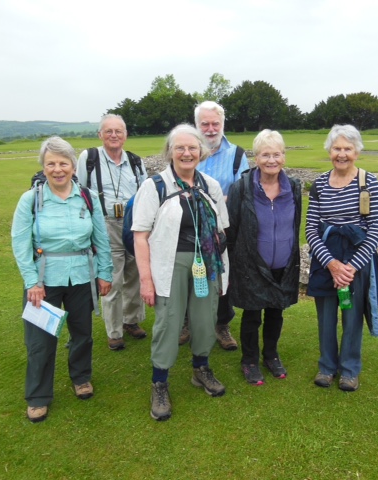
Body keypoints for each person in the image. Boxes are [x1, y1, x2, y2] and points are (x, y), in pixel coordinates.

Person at [132, 124, 230, 421]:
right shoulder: (155, 186)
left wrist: (223, 274)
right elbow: (140, 236)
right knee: (169, 324)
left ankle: (201, 370)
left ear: (201, 152)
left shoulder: (211, 185)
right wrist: (146, 281)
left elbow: (222, 231)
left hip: (206, 265)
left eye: (192, 148)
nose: (186, 153)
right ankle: (159, 383)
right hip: (169, 264)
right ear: (170, 152)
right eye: (180, 148)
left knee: (204, 319)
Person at [12, 136, 113, 423]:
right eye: (51, 163)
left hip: (82, 276)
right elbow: (20, 243)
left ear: (73, 166)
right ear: (43, 168)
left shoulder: (87, 197)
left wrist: (104, 273)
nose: (58, 169)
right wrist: (32, 282)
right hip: (44, 281)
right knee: (40, 341)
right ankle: (38, 396)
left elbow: (101, 239)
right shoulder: (31, 199)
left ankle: (81, 378)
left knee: (82, 333)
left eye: (63, 163)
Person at [306, 125, 378, 393]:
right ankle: (327, 367)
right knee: (326, 316)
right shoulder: (318, 184)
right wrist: (331, 263)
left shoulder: (368, 181)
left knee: (351, 317)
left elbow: (375, 229)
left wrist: (350, 267)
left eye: (347, 149)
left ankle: (350, 370)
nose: (342, 154)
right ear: (329, 151)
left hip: (356, 258)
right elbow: (310, 229)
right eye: (337, 148)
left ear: (357, 151)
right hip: (326, 257)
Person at [226, 129, 301, 385]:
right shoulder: (241, 188)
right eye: (265, 155)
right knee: (252, 315)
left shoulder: (294, 187)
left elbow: (295, 224)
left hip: (282, 264)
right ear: (256, 158)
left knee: (276, 312)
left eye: (276, 154)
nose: (272, 160)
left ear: (284, 156)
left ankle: (271, 355)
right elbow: (231, 229)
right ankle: (249, 360)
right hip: (250, 265)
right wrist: (234, 267)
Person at [178, 101, 250, 350]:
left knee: (222, 276)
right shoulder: (186, 150)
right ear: (196, 124)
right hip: (187, 226)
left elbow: (243, 192)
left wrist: (214, 200)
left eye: (215, 123)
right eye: (204, 124)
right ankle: (187, 322)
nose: (210, 129)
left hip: (223, 227)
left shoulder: (237, 155)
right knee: (188, 274)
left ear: (222, 124)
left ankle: (221, 325)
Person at [77, 114, 147, 351]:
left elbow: (146, 194)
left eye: (119, 131)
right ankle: (114, 331)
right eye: (109, 131)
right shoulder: (89, 158)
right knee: (112, 277)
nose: (114, 136)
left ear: (125, 135)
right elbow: (80, 192)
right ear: (100, 135)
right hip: (105, 224)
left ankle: (131, 320)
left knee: (135, 274)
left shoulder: (136, 162)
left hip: (133, 223)